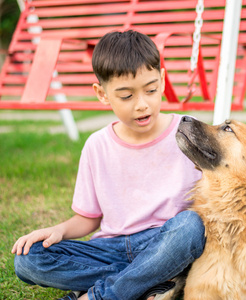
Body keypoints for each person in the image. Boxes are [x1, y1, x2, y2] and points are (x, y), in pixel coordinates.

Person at [11, 30, 205, 300]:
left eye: (150, 90)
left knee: (191, 226)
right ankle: (153, 279)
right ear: (102, 94)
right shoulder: (97, 145)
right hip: (110, 247)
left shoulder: (187, 131)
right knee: (28, 259)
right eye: (126, 96)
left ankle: (98, 295)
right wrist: (58, 230)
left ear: (162, 79)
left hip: (165, 240)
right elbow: (88, 218)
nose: (141, 105)